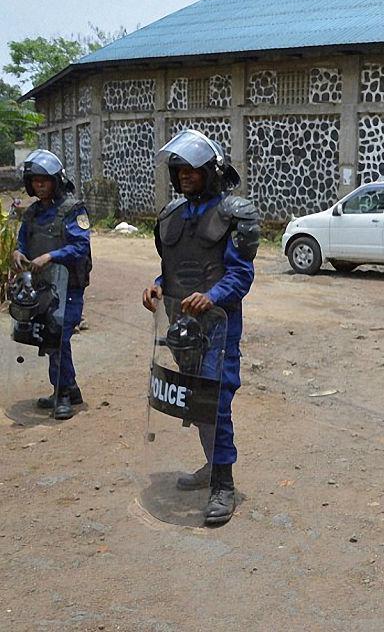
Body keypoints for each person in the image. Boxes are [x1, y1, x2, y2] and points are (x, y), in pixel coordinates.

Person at [141, 129, 259, 525]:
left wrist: (214, 295)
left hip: (219, 329)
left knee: (215, 402)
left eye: (192, 168)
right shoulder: (171, 215)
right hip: (180, 329)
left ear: (211, 171)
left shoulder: (234, 213)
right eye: (179, 169)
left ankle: (223, 484)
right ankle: (210, 466)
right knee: (194, 402)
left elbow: (241, 275)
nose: (184, 174)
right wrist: (156, 289)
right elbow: (170, 272)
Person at [11, 149, 92, 420]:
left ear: (56, 180)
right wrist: (18, 253)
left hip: (69, 286)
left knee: (58, 337)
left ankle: (63, 394)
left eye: (44, 180)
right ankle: (70, 388)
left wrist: (51, 256)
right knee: (49, 337)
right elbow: (23, 242)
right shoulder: (32, 214)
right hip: (43, 287)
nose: (40, 185)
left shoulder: (73, 209)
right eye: (35, 181)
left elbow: (80, 247)